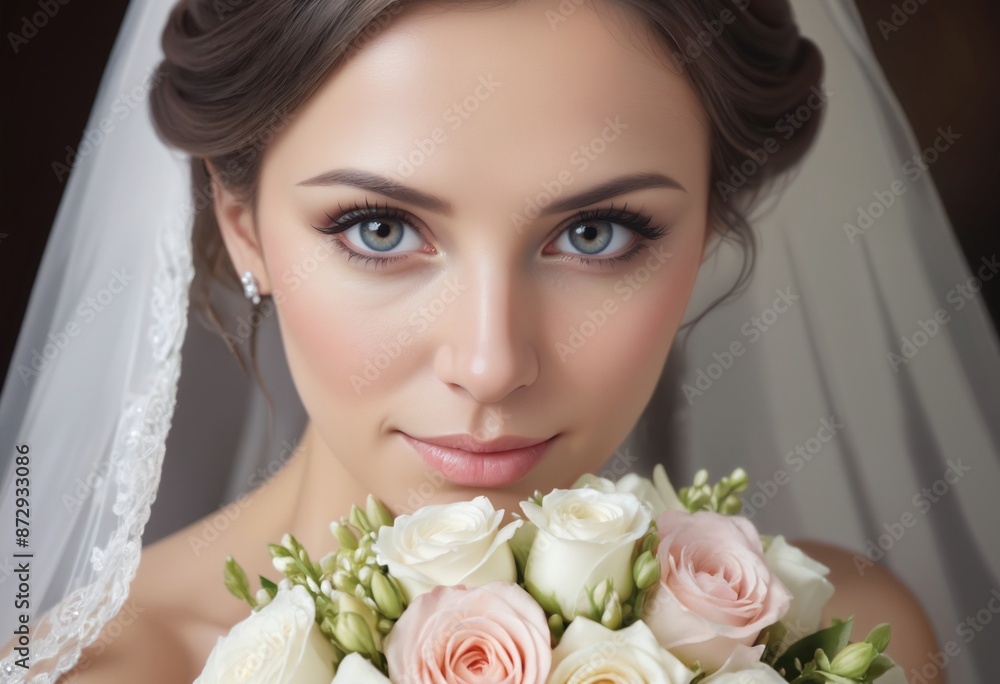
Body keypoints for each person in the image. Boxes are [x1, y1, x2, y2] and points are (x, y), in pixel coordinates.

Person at [3, 0, 995, 681]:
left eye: (594, 234)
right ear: (240, 218)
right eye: (379, 230)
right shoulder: (99, 673)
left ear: (705, 230)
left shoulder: (837, 641)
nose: (490, 363)